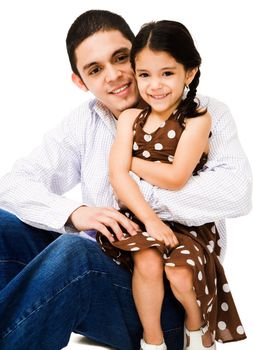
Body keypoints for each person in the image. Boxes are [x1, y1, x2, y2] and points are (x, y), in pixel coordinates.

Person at [0, 9, 251, 350]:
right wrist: (76, 214)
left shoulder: (202, 112)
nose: (115, 75)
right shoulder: (85, 121)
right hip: (110, 272)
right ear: (80, 81)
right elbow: (13, 185)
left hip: (170, 299)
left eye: (121, 58)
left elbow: (236, 192)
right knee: (4, 226)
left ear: (137, 55)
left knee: (75, 253)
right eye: (95, 69)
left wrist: (133, 195)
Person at [96, 20, 247, 350]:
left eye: (167, 73)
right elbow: (116, 178)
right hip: (142, 216)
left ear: (189, 73)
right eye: (145, 74)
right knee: (147, 260)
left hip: (190, 226)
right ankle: (153, 342)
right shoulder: (128, 119)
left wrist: (127, 161)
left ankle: (197, 324)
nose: (155, 85)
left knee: (180, 274)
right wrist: (149, 220)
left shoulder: (197, 118)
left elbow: (176, 177)